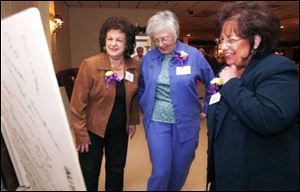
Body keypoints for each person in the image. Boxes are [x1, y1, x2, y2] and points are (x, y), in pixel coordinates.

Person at [207, 1, 299, 191]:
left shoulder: (279, 69)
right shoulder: (229, 70)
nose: (224, 47)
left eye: (231, 39)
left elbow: (269, 117)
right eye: (221, 40)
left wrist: (232, 84)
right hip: (228, 175)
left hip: (261, 178)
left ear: (256, 41)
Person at [138, 10, 215, 191]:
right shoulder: (149, 58)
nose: (160, 44)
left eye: (164, 38)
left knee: (180, 170)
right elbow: (142, 85)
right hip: (157, 122)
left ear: (176, 34)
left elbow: (213, 83)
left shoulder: (193, 55)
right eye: (156, 40)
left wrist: (207, 108)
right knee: (161, 171)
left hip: (186, 123)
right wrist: (144, 104)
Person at [70, 16, 140, 191]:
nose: (114, 43)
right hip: (92, 130)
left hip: (119, 130)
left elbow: (134, 97)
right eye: (110, 39)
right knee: (89, 173)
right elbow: (77, 104)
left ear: (127, 44)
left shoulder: (135, 66)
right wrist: (80, 133)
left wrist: (132, 121)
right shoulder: (90, 65)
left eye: (119, 40)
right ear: (104, 41)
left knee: (116, 170)